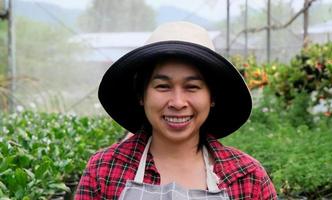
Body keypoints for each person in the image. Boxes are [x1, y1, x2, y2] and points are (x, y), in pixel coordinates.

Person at [75, 21, 277, 200]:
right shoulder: (104, 170)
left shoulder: (248, 178)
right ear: (141, 95)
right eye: (163, 86)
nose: (178, 102)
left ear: (212, 97)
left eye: (192, 87)